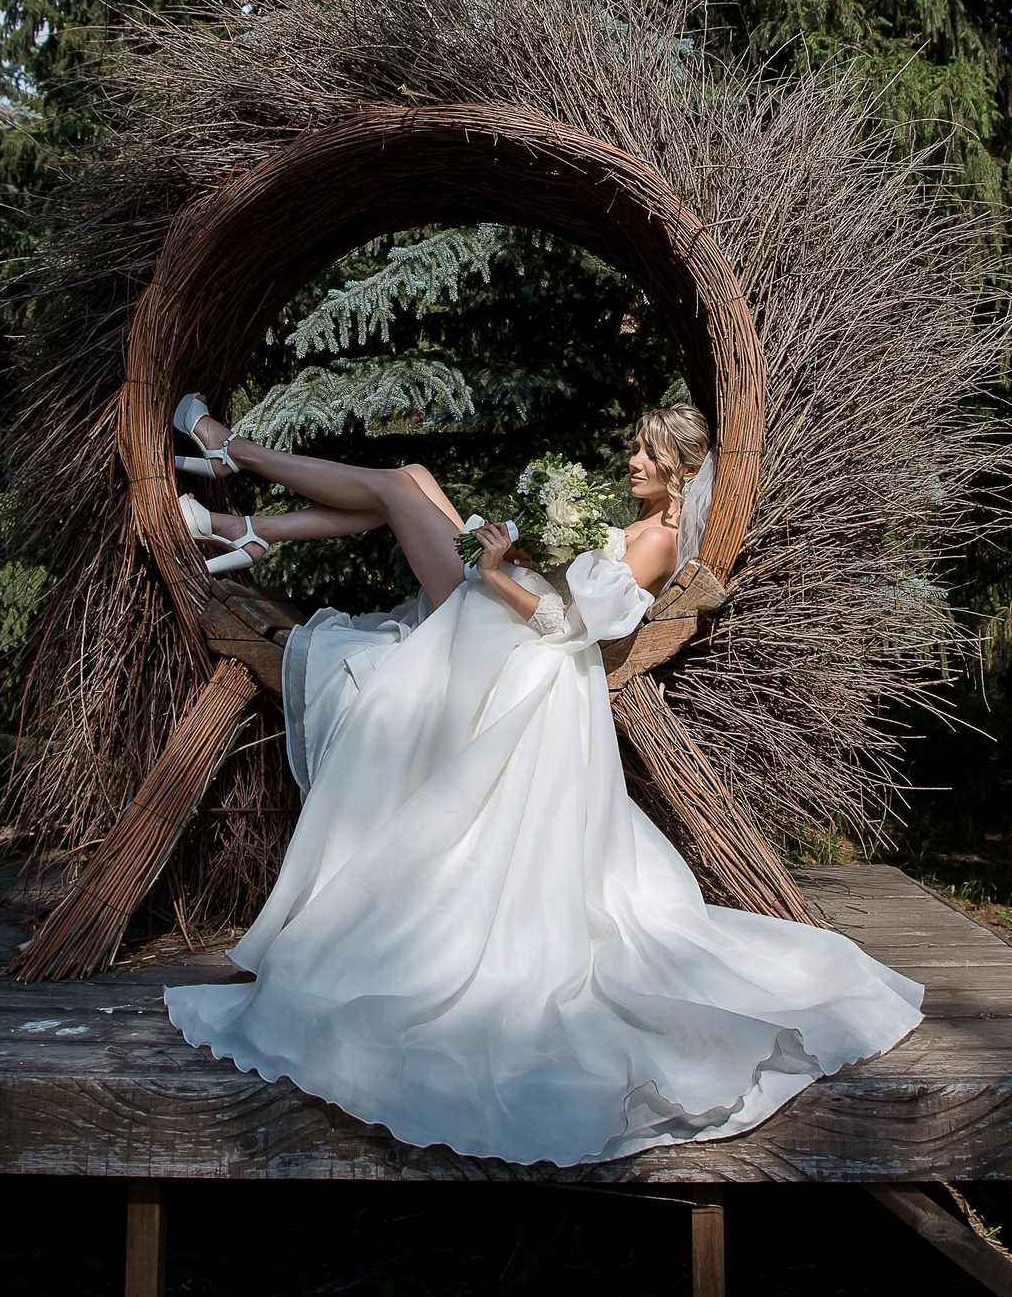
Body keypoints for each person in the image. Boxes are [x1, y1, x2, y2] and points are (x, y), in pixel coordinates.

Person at [161, 395, 925, 1167]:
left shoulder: (660, 540)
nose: (633, 460)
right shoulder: (643, 525)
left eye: (649, 455)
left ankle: (233, 458)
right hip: (509, 607)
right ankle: (245, 530)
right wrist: (526, 550)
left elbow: (564, 625)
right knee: (414, 472)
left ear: (680, 474)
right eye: (638, 447)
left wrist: (496, 571)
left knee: (395, 488)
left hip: (505, 629)